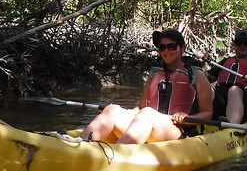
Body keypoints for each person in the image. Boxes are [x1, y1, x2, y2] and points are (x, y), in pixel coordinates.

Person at [79, 29, 213, 144]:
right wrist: (130, 113)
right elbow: (141, 107)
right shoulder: (155, 73)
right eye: (162, 47)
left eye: (172, 46)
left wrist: (186, 117)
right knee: (112, 109)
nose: (167, 51)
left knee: (148, 114)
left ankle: (116, 153)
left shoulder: (196, 74)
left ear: (182, 48)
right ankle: (81, 144)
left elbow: (208, 113)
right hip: (149, 123)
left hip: (178, 131)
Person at [208, 30, 247, 124]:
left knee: (234, 90)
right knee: (208, 89)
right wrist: (200, 64)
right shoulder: (225, 62)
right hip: (222, 102)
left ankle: (232, 125)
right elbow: (206, 79)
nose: (242, 46)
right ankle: (202, 120)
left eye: (246, 43)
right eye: (239, 43)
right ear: (234, 45)